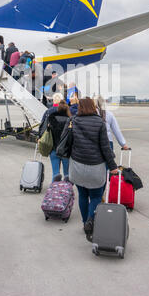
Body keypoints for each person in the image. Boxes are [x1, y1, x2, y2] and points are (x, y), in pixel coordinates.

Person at [67, 98, 118, 241]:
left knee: (83, 195)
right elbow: (105, 148)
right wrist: (113, 166)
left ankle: (85, 224)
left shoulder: (73, 121)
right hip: (95, 167)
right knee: (96, 196)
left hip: (77, 166)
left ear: (80, 108)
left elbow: (68, 143)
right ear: (93, 107)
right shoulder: (100, 123)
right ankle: (90, 220)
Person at [47, 100, 71, 182]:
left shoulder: (51, 119)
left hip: (54, 149)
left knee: (55, 174)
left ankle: (55, 192)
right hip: (66, 151)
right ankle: (67, 192)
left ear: (58, 109)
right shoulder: (70, 120)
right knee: (67, 174)